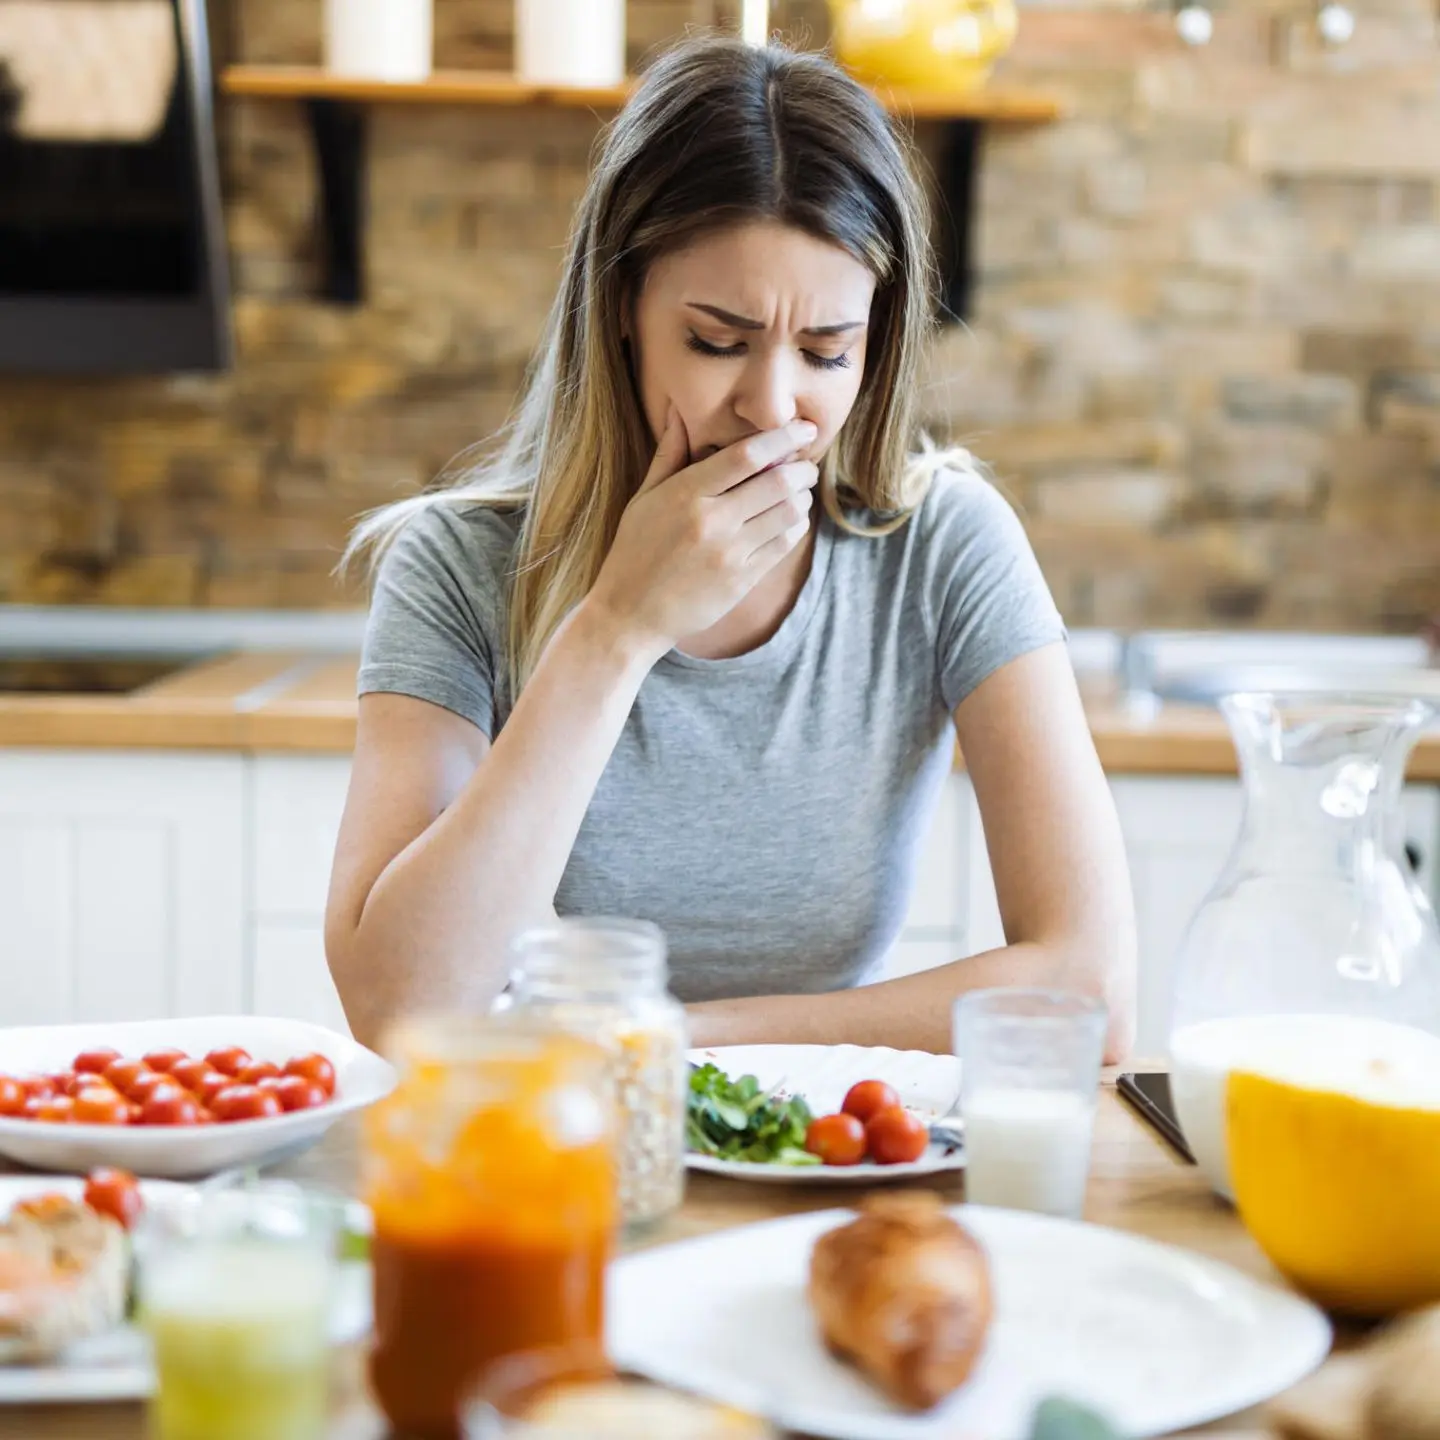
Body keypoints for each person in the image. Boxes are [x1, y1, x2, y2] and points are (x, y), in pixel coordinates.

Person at [324, 34, 1136, 1060]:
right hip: (548, 1139)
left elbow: (1093, 991)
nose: (773, 406)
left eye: (827, 353)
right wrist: (616, 628)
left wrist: (670, 1040)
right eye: (718, 342)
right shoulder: (454, 565)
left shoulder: (943, 547)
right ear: (623, 309)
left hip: (819, 1137)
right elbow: (400, 1011)